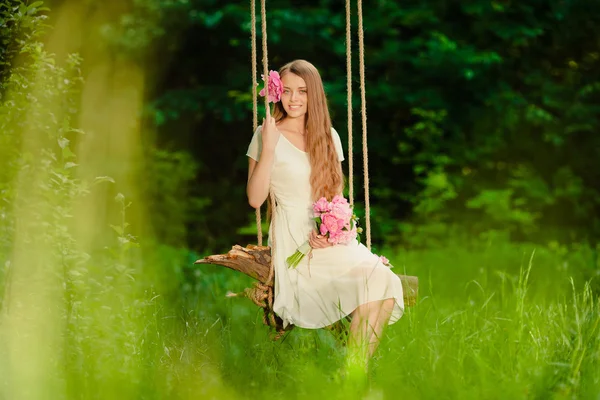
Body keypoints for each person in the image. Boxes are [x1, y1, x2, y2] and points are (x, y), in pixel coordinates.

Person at [246, 59, 404, 368]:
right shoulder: (267, 134)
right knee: (376, 282)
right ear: (277, 93)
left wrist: (331, 231)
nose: (294, 99)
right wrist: (268, 147)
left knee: (383, 281)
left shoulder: (329, 136)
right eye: (287, 91)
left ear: (314, 95)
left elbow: (335, 198)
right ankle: (353, 378)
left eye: (302, 91)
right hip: (295, 242)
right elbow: (254, 198)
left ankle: (353, 374)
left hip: (329, 240)